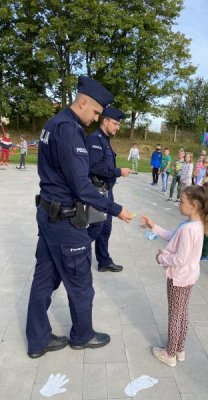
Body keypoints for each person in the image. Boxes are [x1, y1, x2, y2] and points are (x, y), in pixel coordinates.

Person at [26, 76, 133, 359]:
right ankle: (82, 335)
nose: (96, 118)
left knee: (43, 281)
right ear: (83, 102)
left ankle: (37, 341)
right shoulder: (69, 130)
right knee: (81, 284)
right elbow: (81, 185)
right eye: (96, 112)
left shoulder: (53, 124)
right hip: (64, 220)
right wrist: (116, 209)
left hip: (48, 214)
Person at [141, 184, 208, 366]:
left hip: (179, 278)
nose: (178, 204)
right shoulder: (194, 225)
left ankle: (170, 354)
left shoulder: (187, 229)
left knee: (175, 315)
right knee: (181, 313)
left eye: (182, 201)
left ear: (194, 205)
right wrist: (154, 227)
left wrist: (161, 258)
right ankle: (180, 349)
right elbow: (172, 235)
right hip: (189, 277)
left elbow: (180, 259)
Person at [86, 107, 132, 272]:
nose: (117, 127)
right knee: (96, 228)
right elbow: (94, 166)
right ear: (104, 121)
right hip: (97, 191)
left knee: (105, 228)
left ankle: (104, 261)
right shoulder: (94, 139)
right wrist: (118, 172)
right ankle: (75, 253)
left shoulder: (105, 140)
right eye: (115, 123)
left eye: (118, 124)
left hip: (107, 191)